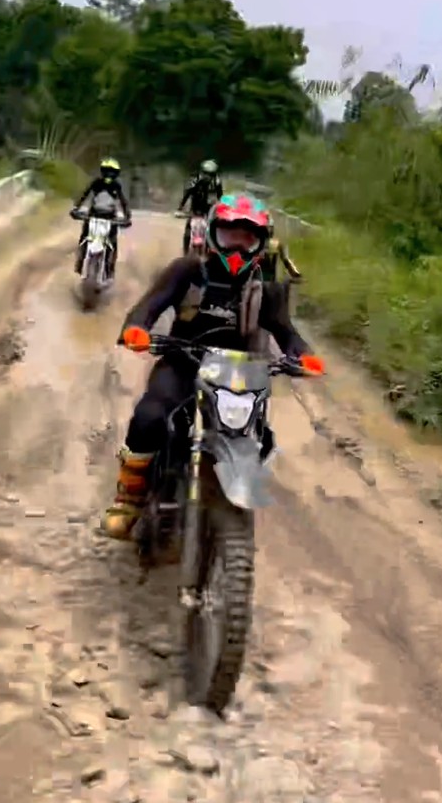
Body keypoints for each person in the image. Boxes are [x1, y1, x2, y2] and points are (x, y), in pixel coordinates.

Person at [102, 192, 324, 541]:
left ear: (261, 244)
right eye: (229, 234)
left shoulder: (265, 289)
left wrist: (303, 355)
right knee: (149, 416)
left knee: (255, 436)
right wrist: (136, 329)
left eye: (247, 238)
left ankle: (229, 490)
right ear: (212, 234)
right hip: (183, 362)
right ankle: (128, 497)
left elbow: (285, 331)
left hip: (238, 375)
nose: (237, 246)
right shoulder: (188, 271)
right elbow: (148, 306)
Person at [71, 158, 132, 276]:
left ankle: (110, 270)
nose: (109, 174)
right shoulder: (96, 183)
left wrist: (127, 216)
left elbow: (123, 201)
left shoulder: (116, 186)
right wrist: (77, 208)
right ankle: (80, 262)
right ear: (102, 171)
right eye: (106, 171)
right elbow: (85, 195)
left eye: (112, 172)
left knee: (112, 242)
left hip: (110, 217)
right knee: (84, 237)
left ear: (116, 173)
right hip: (93, 214)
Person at [176, 159, 223, 254]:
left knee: (212, 231)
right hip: (195, 209)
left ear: (214, 175)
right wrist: (180, 208)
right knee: (188, 229)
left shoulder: (217, 183)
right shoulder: (194, 182)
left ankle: (211, 252)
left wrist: (222, 209)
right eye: (205, 173)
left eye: (210, 174)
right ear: (202, 172)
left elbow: (221, 197)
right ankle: (185, 252)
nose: (207, 176)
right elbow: (186, 195)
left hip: (209, 211)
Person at [259, 217, 302, 284]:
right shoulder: (276, 244)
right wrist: (295, 274)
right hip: (267, 279)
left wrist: (295, 273)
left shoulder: (253, 243)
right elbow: (286, 260)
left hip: (265, 278)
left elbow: (286, 261)